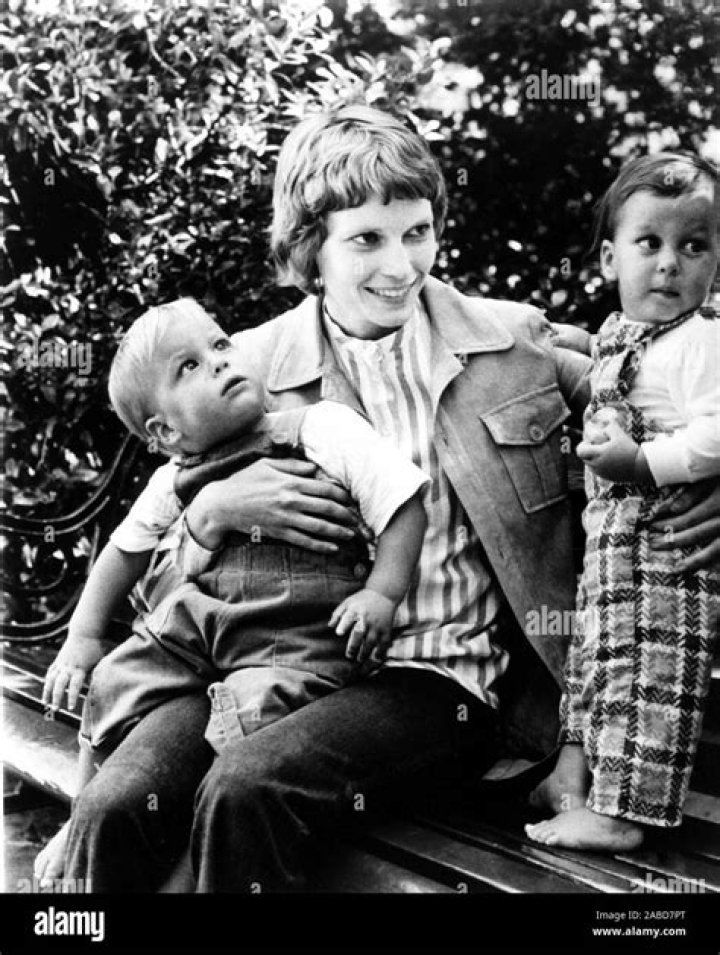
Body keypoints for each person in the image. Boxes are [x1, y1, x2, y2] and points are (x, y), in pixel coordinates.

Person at [59, 106, 720, 893]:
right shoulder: (244, 370)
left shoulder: (513, 342)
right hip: (268, 667)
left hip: (444, 685)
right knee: (115, 805)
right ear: (311, 248)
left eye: (417, 232)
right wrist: (211, 517)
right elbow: (150, 575)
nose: (402, 265)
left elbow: (672, 393)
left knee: (248, 786)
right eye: (367, 239)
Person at [34, 296, 428, 883]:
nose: (219, 361)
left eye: (219, 344)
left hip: (290, 641)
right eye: (188, 366)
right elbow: (123, 553)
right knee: (115, 680)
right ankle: (79, 815)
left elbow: (403, 503)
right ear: (165, 430)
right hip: (200, 642)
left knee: (247, 728)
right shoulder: (173, 479)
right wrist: (83, 636)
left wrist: (381, 594)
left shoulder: (320, 428)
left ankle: (186, 873)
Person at [526, 153, 720, 851]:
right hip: (614, 547)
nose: (669, 264)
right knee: (598, 660)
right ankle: (574, 776)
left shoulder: (703, 340)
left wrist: (640, 462)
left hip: (667, 549)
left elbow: (716, 431)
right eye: (650, 243)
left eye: (693, 246)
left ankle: (622, 812)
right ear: (610, 258)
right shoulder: (631, 337)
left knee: (650, 678)